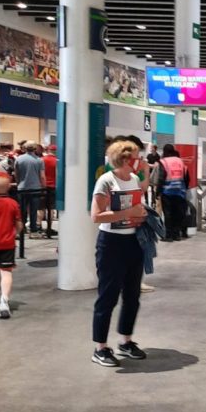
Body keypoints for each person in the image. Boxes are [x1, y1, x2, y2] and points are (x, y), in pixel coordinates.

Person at [90, 139, 148, 366]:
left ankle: (126, 341)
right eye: (135, 157)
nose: (139, 160)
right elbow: (96, 216)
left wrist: (141, 214)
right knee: (108, 296)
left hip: (133, 241)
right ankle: (100, 348)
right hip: (111, 244)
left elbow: (137, 205)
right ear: (124, 159)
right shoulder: (106, 181)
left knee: (132, 296)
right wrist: (129, 212)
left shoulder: (134, 179)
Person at [0, 174, 22, 319]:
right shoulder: (12, 204)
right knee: (6, 272)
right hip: (7, 243)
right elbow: (19, 225)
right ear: (8, 187)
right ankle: (4, 301)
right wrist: (14, 233)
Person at [157, 144, 189, 242]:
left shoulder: (163, 161)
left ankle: (169, 236)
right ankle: (176, 235)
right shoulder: (180, 161)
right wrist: (184, 188)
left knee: (168, 214)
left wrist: (158, 192)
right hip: (180, 191)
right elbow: (186, 176)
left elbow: (161, 177)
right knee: (177, 213)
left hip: (167, 191)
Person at [15, 142, 45, 240]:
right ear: (35, 148)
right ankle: (33, 230)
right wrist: (43, 187)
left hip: (22, 188)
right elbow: (42, 176)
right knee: (33, 211)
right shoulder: (39, 160)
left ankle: (21, 230)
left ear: (24, 148)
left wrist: (18, 183)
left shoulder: (19, 159)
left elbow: (17, 174)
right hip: (35, 188)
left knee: (22, 210)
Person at [41, 144, 58, 238]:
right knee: (51, 208)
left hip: (43, 186)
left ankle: (39, 227)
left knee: (41, 208)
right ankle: (49, 228)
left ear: (48, 150)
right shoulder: (57, 161)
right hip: (54, 186)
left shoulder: (42, 160)